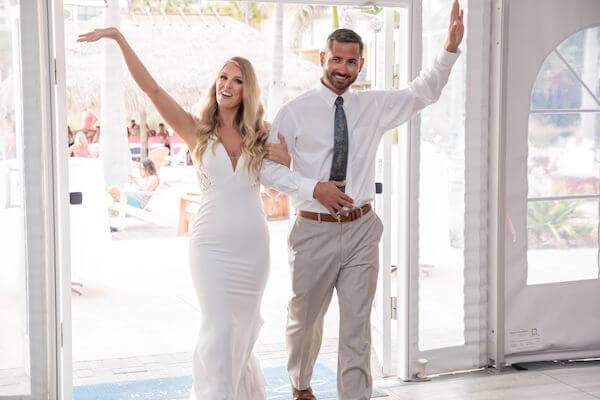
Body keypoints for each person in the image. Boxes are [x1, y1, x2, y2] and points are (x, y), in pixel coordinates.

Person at [260, 2, 464, 399]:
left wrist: (449, 50)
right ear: (323, 59)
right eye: (336, 59)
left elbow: (422, 92)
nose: (343, 68)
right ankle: (300, 387)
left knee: (356, 327)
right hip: (312, 231)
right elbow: (267, 171)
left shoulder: (372, 106)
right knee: (304, 321)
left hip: (361, 229)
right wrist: (314, 187)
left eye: (351, 62)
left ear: (361, 65)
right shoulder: (293, 113)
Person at [78, 28, 291, 399]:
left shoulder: (262, 133)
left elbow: (280, 185)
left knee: (242, 330)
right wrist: (119, 38)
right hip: (210, 248)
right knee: (219, 328)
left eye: (237, 80)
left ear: (247, 88)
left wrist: (286, 159)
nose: (227, 84)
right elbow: (154, 91)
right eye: (223, 76)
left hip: (253, 251)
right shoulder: (197, 130)